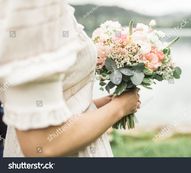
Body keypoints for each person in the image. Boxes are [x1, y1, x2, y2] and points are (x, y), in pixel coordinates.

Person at [0, 0, 140, 157]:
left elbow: (39, 106)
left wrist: (98, 105)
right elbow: (41, 145)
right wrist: (120, 107)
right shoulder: (33, 6)